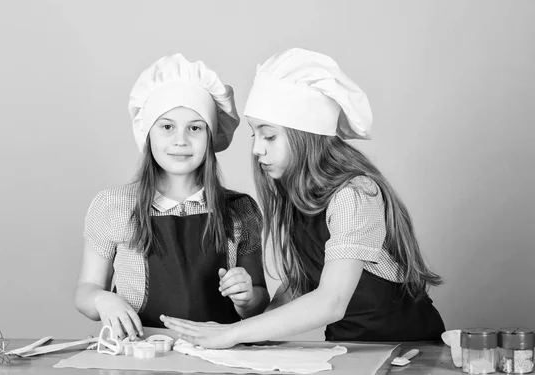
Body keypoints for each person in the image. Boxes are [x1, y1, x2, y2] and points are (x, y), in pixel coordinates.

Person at [161, 48, 445, 348]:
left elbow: (331, 301)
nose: (257, 149)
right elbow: (298, 285)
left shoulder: (355, 194)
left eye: (269, 135)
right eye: (254, 135)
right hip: (350, 352)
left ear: (305, 135)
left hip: (409, 351)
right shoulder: (297, 196)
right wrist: (250, 335)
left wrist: (230, 335)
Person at [75, 54, 269, 341]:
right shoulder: (113, 206)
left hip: (218, 355)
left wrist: (246, 297)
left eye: (195, 127)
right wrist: (102, 300)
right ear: (148, 134)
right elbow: (85, 291)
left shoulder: (241, 210)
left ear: (211, 137)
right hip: (142, 353)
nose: (181, 140)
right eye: (167, 127)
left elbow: (258, 301)